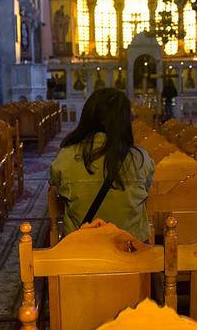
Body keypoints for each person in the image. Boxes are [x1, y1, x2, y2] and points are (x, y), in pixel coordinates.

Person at [49, 88, 154, 241]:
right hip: (130, 253)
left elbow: (56, 185)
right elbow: (147, 188)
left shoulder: (66, 156)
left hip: (81, 250)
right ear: (124, 120)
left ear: (88, 115)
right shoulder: (140, 159)